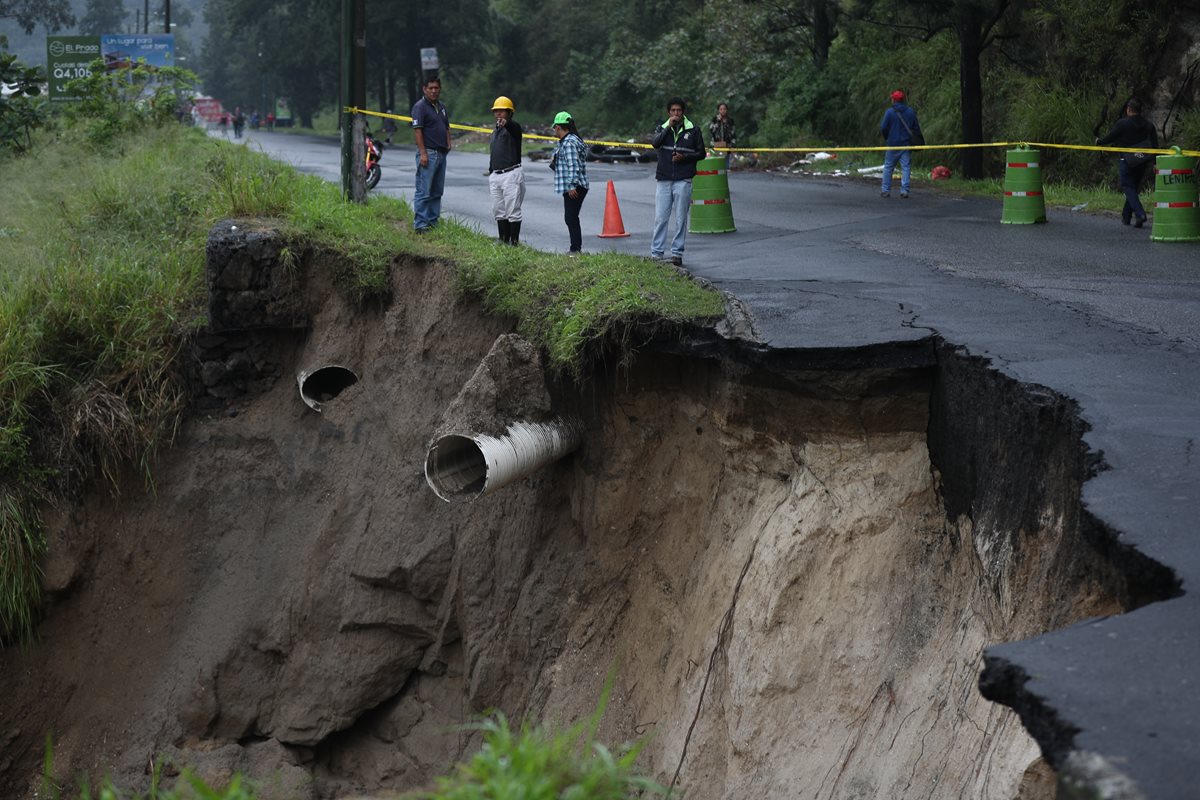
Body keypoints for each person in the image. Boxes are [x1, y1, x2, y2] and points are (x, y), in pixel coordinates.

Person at [650, 97, 706, 267]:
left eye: (679, 110)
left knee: (681, 218)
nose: (676, 113)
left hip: (683, 179)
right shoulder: (662, 128)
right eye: (673, 111)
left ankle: (677, 253)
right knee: (661, 217)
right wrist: (668, 127)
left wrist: (685, 157)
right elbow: (655, 143)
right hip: (664, 179)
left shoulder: (694, 130)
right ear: (669, 113)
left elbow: (701, 153)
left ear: (683, 112)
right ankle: (656, 253)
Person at [1096, 99, 1159, 228]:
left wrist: (1099, 142)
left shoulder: (1123, 124)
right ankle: (1126, 216)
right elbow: (1155, 145)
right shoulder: (1148, 125)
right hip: (1142, 161)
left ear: (1128, 109)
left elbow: (1110, 137)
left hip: (1128, 160)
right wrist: (1155, 162)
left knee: (1128, 186)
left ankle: (1140, 214)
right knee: (1133, 188)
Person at [410, 77, 452, 233]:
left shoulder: (441, 107)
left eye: (436, 88)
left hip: (441, 153)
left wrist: (448, 141)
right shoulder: (419, 107)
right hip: (428, 152)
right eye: (431, 88)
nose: (434, 91)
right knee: (424, 190)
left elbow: (446, 126)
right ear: (424, 89)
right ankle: (420, 225)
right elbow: (418, 130)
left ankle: (433, 223)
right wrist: (423, 153)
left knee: (436, 191)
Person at [550, 111, 590, 255]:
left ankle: (575, 249)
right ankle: (575, 248)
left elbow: (574, 165)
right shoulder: (569, 141)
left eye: (555, 128)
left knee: (571, 218)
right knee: (571, 217)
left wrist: (572, 185)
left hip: (575, 186)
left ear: (559, 127)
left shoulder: (569, 143)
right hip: (573, 185)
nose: (554, 130)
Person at [488, 96, 526, 245]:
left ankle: (514, 241)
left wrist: (507, 124)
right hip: (496, 175)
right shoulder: (495, 131)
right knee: (499, 209)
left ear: (509, 113)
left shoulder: (514, 129)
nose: (498, 114)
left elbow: (513, 127)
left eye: (502, 111)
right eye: (496, 111)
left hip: (511, 174)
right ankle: (502, 239)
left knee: (513, 211)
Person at [879, 90, 922, 198]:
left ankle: (885, 190)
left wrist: (887, 138)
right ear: (903, 100)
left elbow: (884, 128)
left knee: (888, 167)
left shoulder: (889, 112)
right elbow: (916, 128)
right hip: (906, 144)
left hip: (892, 144)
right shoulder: (910, 112)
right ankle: (905, 191)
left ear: (893, 100)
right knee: (906, 168)